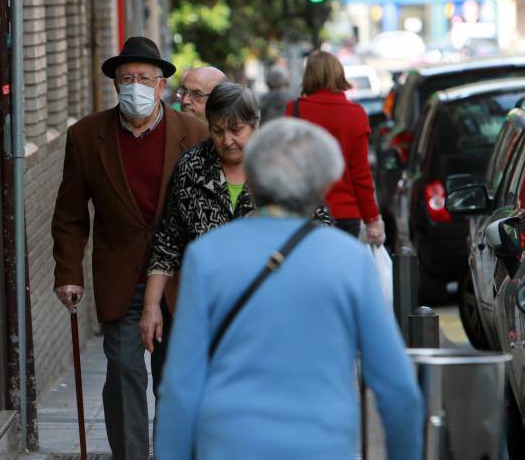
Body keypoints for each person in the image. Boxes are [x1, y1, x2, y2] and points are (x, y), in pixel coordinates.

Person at [154, 118, 424, 460]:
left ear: (253, 179)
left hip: (229, 443)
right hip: (322, 444)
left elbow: (180, 387)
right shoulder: (349, 260)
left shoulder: (206, 257)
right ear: (322, 185)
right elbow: (398, 389)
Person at [51, 36, 207, 460]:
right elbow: (69, 213)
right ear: (116, 85)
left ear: (160, 86)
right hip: (120, 277)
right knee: (123, 374)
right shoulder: (86, 136)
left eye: (144, 77)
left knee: (172, 381)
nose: (135, 85)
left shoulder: (194, 134)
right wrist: (68, 273)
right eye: (127, 78)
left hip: (178, 280)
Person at [140, 82, 259, 352]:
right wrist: (150, 309)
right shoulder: (191, 167)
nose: (227, 140)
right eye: (217, 131)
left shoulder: (280, 165)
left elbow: (317, 228)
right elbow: (167, 241)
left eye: (236, 130)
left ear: (256, 124)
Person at [286, 50, 385, 244]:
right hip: (346, 214)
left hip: (305, 212)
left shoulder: (295, 111)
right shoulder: (356, 115)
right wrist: (372, 218)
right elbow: (361, 175)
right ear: (339, 74)